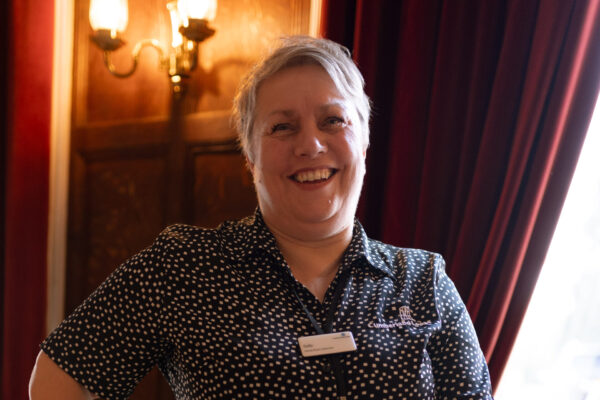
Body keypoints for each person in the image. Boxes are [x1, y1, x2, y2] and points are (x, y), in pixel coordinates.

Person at [29, 36, 493, 399]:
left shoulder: (423, 280)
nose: (310, 144)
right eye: (282, 126)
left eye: (333, 120)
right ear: (250, 158)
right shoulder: (185, 267)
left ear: (365, 143)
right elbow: (59, 379)